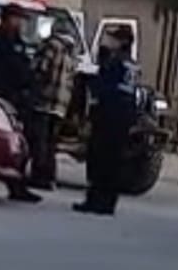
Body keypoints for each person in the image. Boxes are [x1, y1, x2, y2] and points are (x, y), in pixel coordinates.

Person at [74, 26, 138, 216]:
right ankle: (105, 201)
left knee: (101, 158)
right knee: (112, 159)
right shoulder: (131, 63)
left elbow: (103, 87)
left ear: (124, 41)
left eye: (115, 38)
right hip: (123, 115)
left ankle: (98, 200)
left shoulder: (115, 62)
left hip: (110, 114)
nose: (110, 41)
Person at [0, 3, 41, 204]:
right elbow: (11, 69)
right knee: (19, 141)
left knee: (25, 142)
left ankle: (17, 184)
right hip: (7, 97)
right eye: (18, 19)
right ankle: (16, 185)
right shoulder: (2, 40)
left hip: (17, 97)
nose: (20, 23)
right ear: (9, 18)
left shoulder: (14, 39)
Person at [27, 25, 77, 189]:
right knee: (51, 142)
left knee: (39, 139)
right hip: (60, 105)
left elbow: (39, 68)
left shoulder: (50, 45)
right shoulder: (71, 51)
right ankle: (49, 176)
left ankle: (39, 176)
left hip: (44, 100)